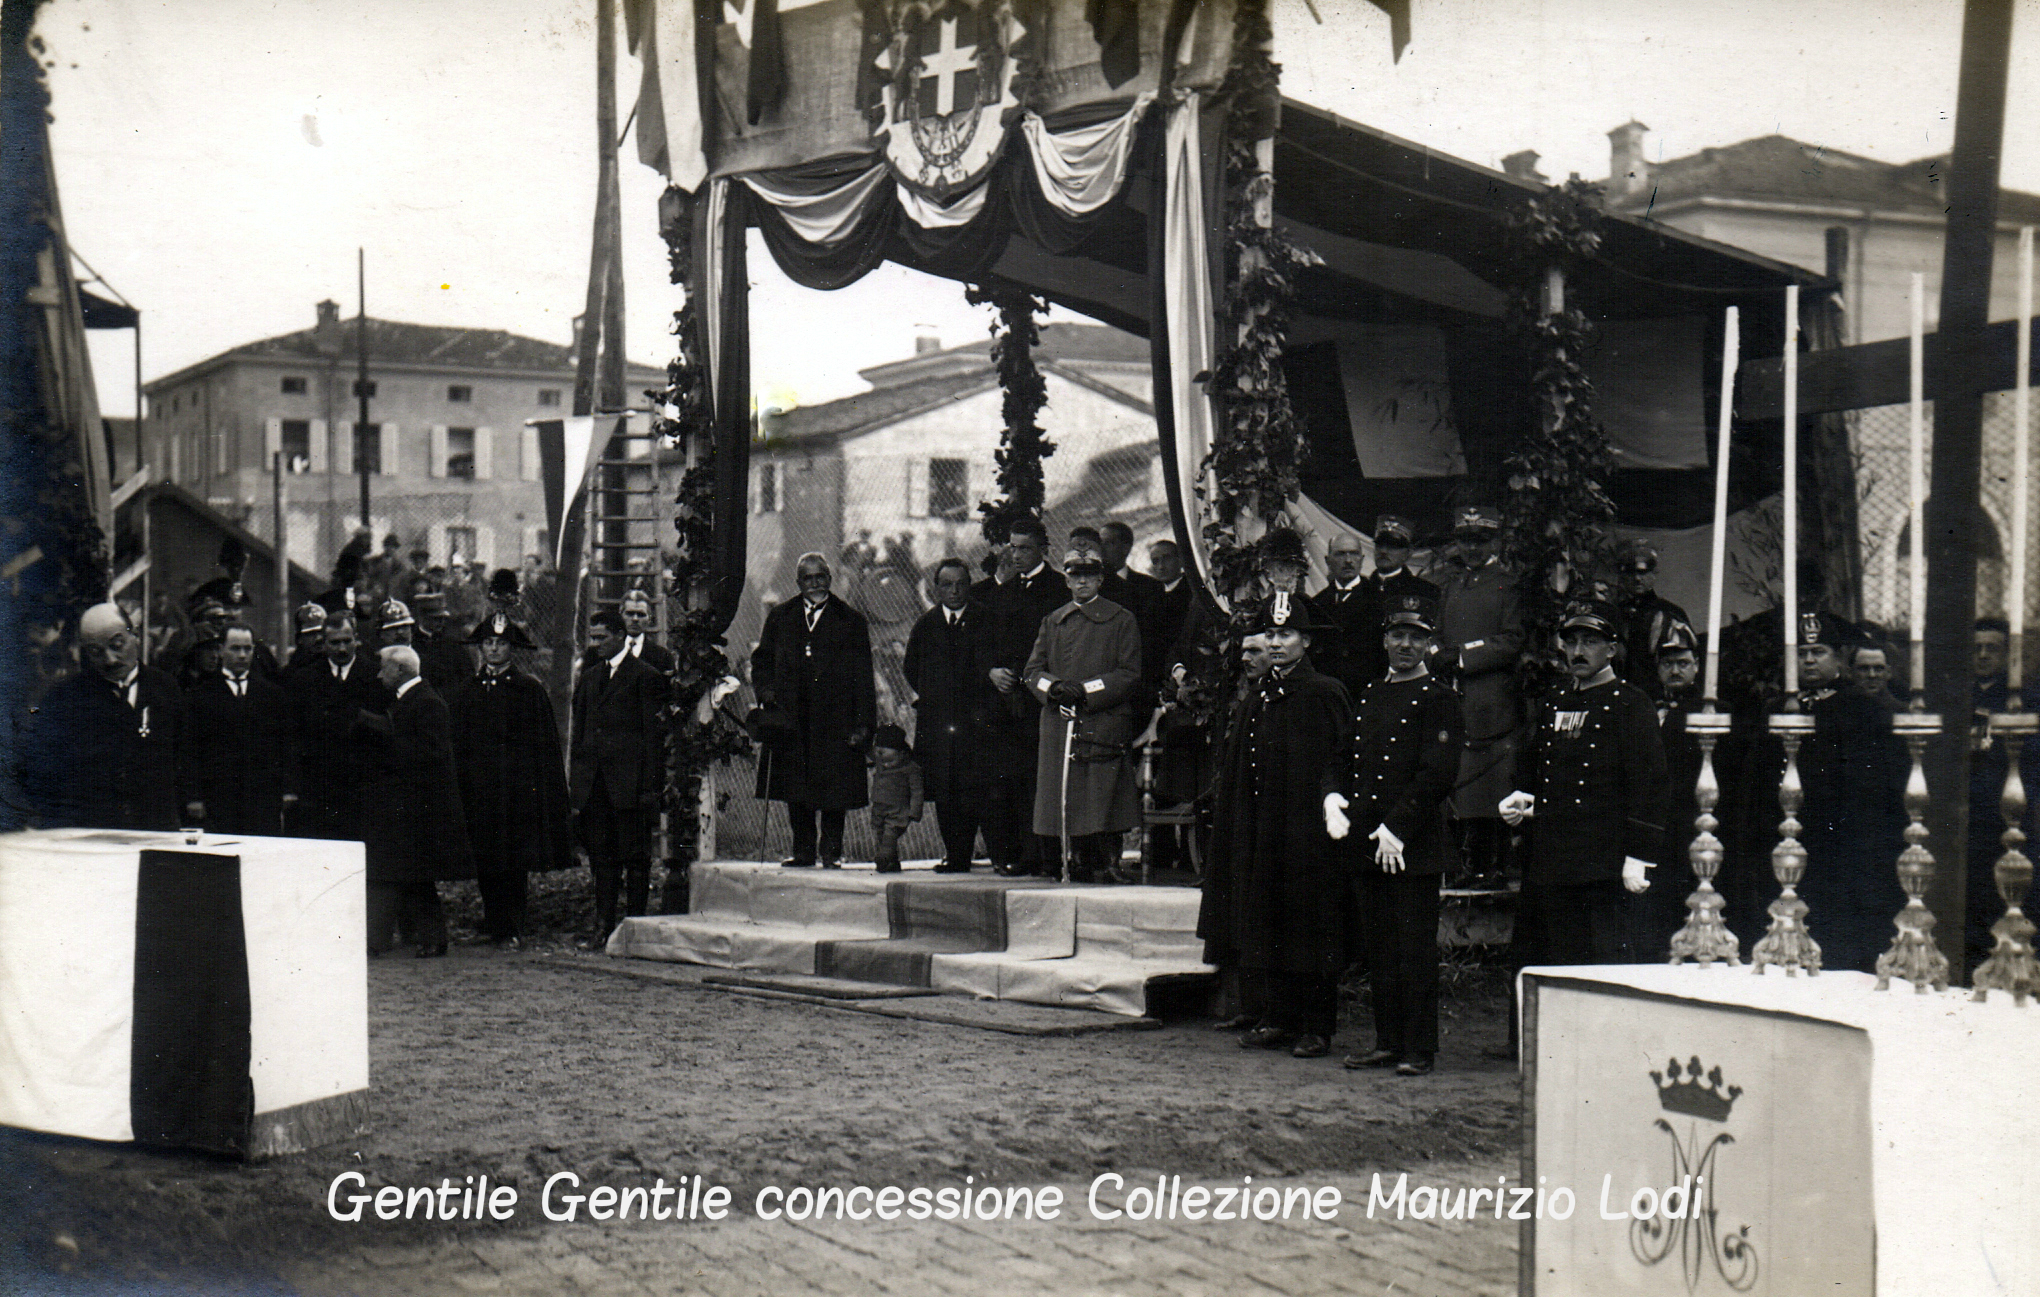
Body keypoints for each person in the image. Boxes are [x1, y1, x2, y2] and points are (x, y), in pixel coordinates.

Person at [1198, 592, 1351, 1058]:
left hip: (1307, 833)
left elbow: (1342, 761)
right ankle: (1277, 1017)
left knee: (1310, 922)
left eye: (1287, 635)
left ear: (1305, 640)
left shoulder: (1325, 692)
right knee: (1266, 919)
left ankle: (1316, 1025)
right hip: (1263, 831)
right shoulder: (1260, 695)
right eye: (1272, 634)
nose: (1278, 643)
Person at [1501, 597, 1670, 976]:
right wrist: (1521, 798)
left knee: (1595, 967)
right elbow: (1533, 767)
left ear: (1611, 649)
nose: (1578, 652)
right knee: (1540, 963)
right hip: (1549, 859)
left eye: (1590, 642)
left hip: (1602, 865)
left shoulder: (1631, 704)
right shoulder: (1555, 701)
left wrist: (1639, 856)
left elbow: (1651, 785)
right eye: (1572, 642)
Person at [1334, 592, 1460, 1076]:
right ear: (1385, 640)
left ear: (1429, 645)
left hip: (1414, 843)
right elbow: (1344, 759)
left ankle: (1419, 1048)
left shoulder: (1440, 699)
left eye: (1416, 637)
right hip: (1370, 841)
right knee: (1379, 947)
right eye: (1398, 635)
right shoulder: (1369, 695)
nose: (1405, 645)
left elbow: (1437, 772)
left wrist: (1398, 827)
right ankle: (1387, 1040)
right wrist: (1333, 799)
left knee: (1413, 948)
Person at [451, 610, 575, 948]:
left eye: (500, 644)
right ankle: (493, 921)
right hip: (480, 791)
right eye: (488, 643)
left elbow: (543, 747)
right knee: (486, 855)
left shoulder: (528, 691)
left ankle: (513, 925)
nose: (493, 650)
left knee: (513, 859)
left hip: (515, 792)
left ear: (511, 649)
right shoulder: (468, 692)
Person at [751, 553, 877, 869]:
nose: (816, 583)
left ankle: (832, 850)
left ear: (830, 579)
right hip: (792, 718)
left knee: (835, 789)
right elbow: (762, 661)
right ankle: (803, 850)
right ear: (798, 583)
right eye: (808, 578)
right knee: (796, 786)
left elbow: (863, 676)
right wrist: (766, 692)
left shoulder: (850, 620)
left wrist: (863, 724)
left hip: (835, 719)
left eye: (821, 576)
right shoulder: (780, 617)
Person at [1025, 548, 1144, 881]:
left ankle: (1109, 862)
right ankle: (1073, 859)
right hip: (1060, 718)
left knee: (1104, 791)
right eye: (1075, 577)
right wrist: (1056, 688)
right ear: (1066, 579)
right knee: (1064, 793)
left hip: (1101, 718)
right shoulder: (1053, 621)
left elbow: (1129, 672)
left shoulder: (1121, 619)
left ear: (1100, 580)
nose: (1082, 583)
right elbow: (1032, 671)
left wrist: (1087, 690)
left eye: (1089, 576)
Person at [18, 602, 186, 830]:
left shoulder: (166, 688)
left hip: (156, 827)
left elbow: (185, 757)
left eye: (117, 645)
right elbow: (39, 765)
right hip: (90, 831)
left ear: (135, 635)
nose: (110, 660)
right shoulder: (65, 698)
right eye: (96, 652)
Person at [358, 646, 474, 957]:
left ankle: (384, 940)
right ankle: (426, 939)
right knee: (412, 876)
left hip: (418, 808)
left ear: (401, 671)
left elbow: (429, 755)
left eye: (384, 668)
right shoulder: (413, 700)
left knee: (401, 874)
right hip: (409, 806)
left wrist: (380, 731)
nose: (380, 674)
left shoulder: (427, 703)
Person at [1435, 504, 1525, 887]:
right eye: (1465, 540)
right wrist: (1438, 653)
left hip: (1491, 701)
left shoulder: (1509, 584)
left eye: (1481, 540)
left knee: (1491, 784)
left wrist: (1464, 656)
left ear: (1496, 541)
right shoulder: (1451, 586)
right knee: (1455, 782)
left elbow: (1512, 640)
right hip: (1453, 698)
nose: (1472, 548)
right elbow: (1437, 633)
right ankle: (1461, 865)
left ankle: (1492, 867)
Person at [571, 611, 670, 937]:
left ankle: (635, 928)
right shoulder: (589, 678)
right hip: (596, 787)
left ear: (620, 636)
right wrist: (579, 786)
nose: (595, 644)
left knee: (636, 858)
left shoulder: (646, 677)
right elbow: (580, 736)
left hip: (630, 788)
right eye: (593, 637)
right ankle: (604, 924)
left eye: (602, 638)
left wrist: (649, 789)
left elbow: (653, 740)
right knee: (601, 859)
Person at [979, 518, 1067, 876]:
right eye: (1012, 547)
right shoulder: (1003, 592)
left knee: (1041, 779)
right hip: (1006, 700)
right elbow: (985, 643)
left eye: (1025, 547)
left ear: (1043, 549)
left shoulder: (1059, 589)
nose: (1016, 555)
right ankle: (1020, 853)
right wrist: (992, 670)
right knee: (1011, 779)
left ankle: (1049, 857)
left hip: (1042, 699)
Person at [901, 557, 993, 872]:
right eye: (947, 585)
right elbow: (911, 668)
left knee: (975, 787)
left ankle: (983, 852)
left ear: (969, 586)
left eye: (961, 584)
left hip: (975, 723)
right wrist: (935, 697)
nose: (954, 591)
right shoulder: (926, 625)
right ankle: (955, 855)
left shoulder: (985, 620)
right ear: (936, 589)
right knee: (944, 787)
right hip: (938, 723)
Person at [182, 623, 297, 836]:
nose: (242, 655)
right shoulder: (200, 696)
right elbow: (189, 749)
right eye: (235, 648)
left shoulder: (272, 694)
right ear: (221, 650)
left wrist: (287, 789)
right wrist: (193, 796)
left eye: (248, 648)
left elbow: (285, 745)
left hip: (262, 797)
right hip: (218, 797)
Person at [286, 612, 384, 842]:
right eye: (335, 642)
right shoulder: (304, 679)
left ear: (357, 638)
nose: (342, 649)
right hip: (318, 787)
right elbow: (293, 735)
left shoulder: (375, 676)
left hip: (362, 787)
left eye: (347, 641)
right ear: (323, 643)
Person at [1309, 531, 1380, 700]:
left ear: (1362, 560)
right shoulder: (1316, 604)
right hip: (1326, 696)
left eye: (1354, 554)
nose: (1348, 561)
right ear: (1328, 561)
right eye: (1340, 554)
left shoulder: (1379, 601)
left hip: (1364, 696)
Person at [866, 724, 925, 874]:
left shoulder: (911, 768)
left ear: (901, 753)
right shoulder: (880, 760)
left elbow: (917, 791)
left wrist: (915, 811)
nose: (885, 765)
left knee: (890, 835)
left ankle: (883, 858)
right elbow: (868, 751)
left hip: (898, 810)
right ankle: (892, 863)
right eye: (882, 761)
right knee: (880, 833)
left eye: (890, 761)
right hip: (879, 807)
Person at [409, 589, 473, 694]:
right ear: (422, 617)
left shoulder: (453, 644)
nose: (441, 623)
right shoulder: (411, 645)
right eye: (435, 619)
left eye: (442, 619)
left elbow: (468, 676)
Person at [619, 587, 677, 675]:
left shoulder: (663, 656)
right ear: (621, 616)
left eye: (641, 614)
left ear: (649, 619)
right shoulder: (606, 652)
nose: (635, 619)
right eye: (630, 613)